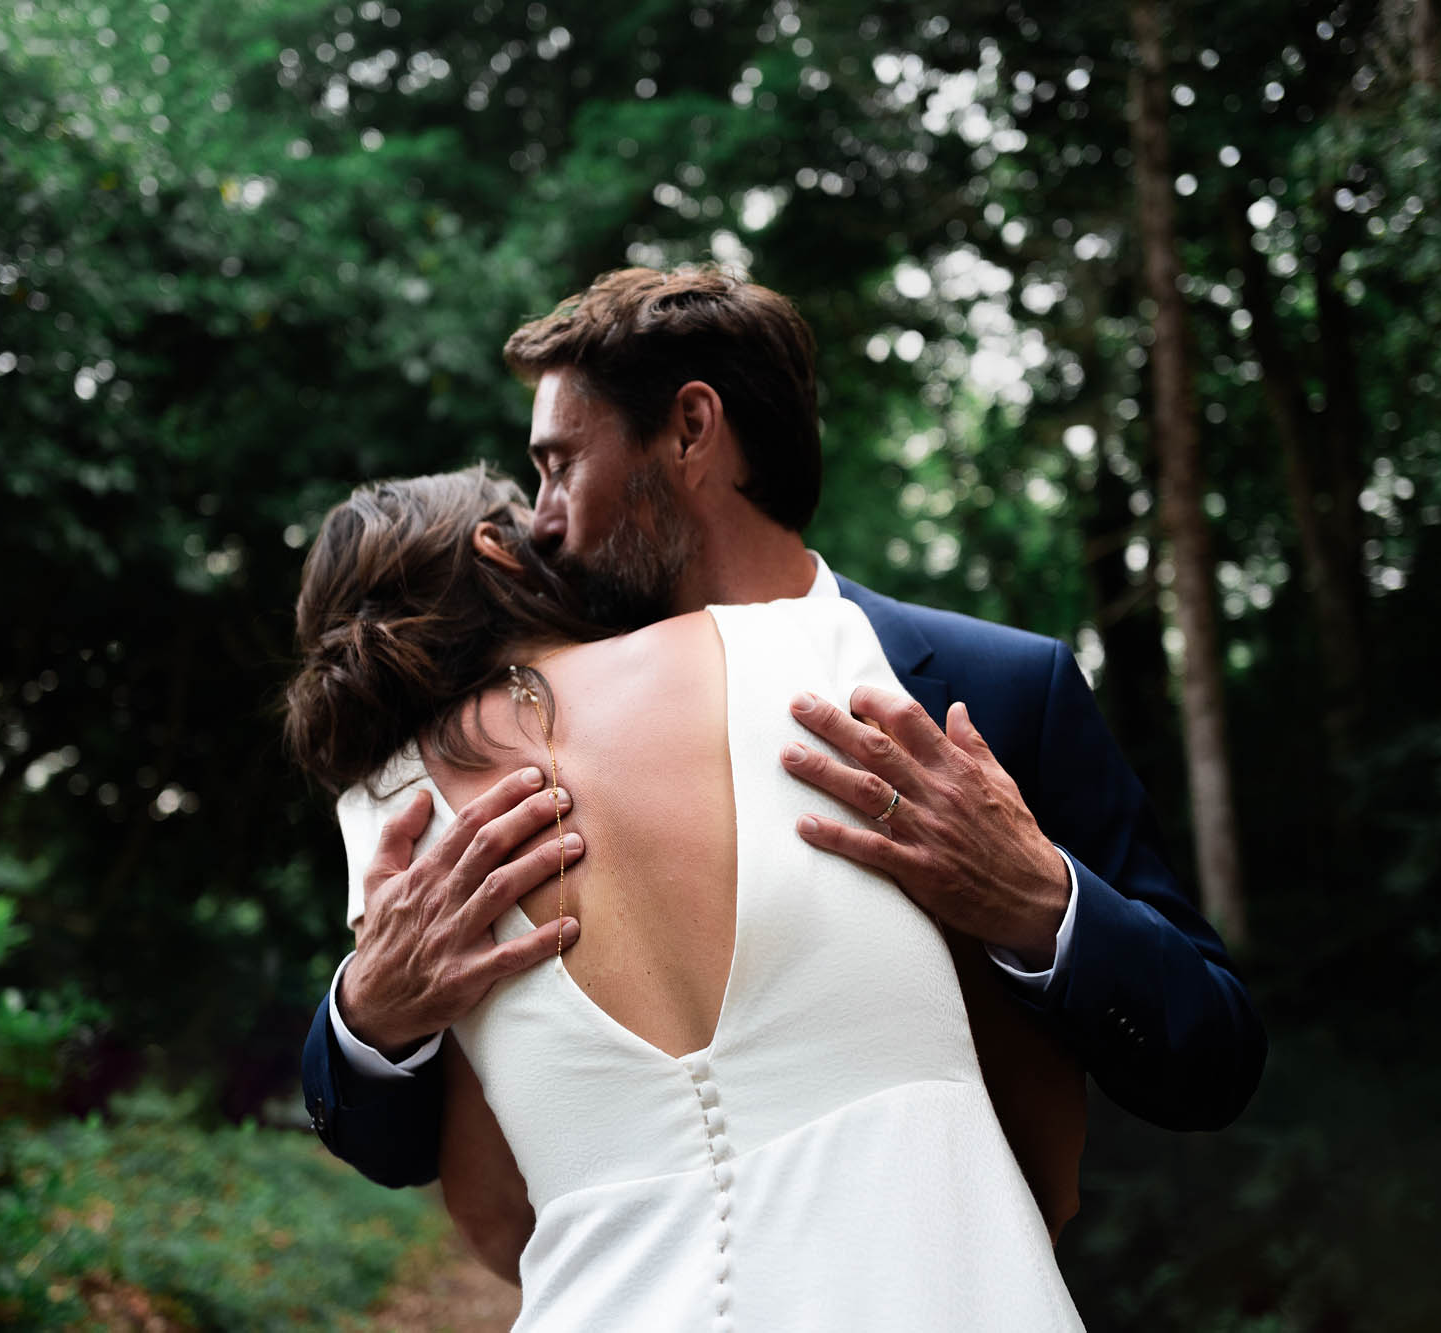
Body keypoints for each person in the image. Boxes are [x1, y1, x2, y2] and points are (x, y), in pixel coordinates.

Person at [299, 266, 1265, 1210]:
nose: (540, 523)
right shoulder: (518, 743)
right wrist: (368, 1018)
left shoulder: (997, 689)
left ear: (690, 429)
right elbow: (406, 1150)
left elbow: (1215, 1060)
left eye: (560, 467)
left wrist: (1043, 904)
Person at [286, 465, 1088, 1327]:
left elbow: (493, 1212)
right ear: (499, 547)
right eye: (533, 500)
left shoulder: (390, 811)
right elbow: (1009, 1053)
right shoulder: (807, 642)